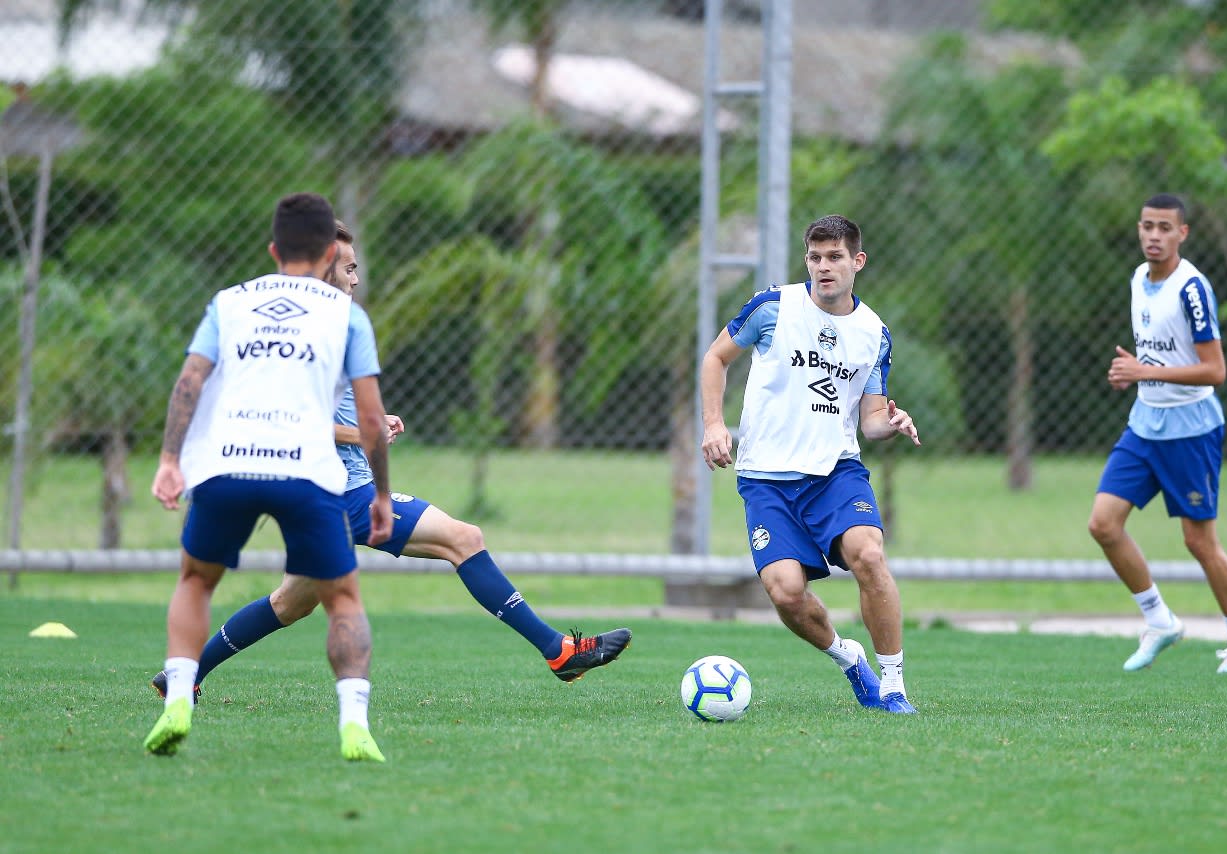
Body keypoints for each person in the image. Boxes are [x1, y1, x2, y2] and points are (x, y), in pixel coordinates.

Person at [151, 221, 631, 706]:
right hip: (338, 493)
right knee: (464, 539)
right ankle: (559, 652)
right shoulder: (310, 329)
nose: (356, 278)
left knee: (290, 602)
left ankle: (184, 675)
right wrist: (360, 434)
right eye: (350, 267)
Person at [145, 193, 393, 761]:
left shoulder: (229, 304)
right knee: (342, 597)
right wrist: (379, 493)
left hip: (229, 461)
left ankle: (178, 700)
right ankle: (354, 724)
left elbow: (189, 383)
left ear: (274, 249)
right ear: (331, 251)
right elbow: (373, 419)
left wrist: (168, 459)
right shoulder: (346, 317)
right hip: (306, 469)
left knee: (195, 581)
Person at [700, 214, 922, 714]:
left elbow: (870, 421)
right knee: (786, 593)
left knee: (868, 554)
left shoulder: (873, 334)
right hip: (766, 479)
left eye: (835, 257)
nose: (824, 267)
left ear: (857, 262)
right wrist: (715, 425)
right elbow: (715, 358)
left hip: (834, 473)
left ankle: (892, 686)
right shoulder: (773, 306)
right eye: (816, 258)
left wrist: (893, 421)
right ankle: (849, 660)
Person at [1088, 193, 1227, 675]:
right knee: (1103, 523)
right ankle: (1160, 620)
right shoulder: (1138, 280)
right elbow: (1154, 362)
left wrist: (1142, 372)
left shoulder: (1192, 289)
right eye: (1147, 226)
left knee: (1198, 541)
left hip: (1190, 428)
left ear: (1182, 234)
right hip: (1146, 423)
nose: (1153, 235)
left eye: (1165, 228)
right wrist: (1137, 376)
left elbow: (1215, 370)